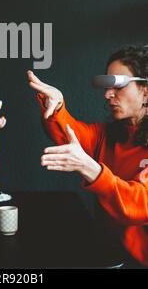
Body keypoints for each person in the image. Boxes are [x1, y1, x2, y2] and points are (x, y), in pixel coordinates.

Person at [27, 45, 148, 269]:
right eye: (106, 86)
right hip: (107, 256)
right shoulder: (108, 135)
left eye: (117, 86)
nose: (107, 94)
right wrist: (56, 106)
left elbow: (140, 204)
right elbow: (72, 136)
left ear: (146, 90)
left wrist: (91, 169)